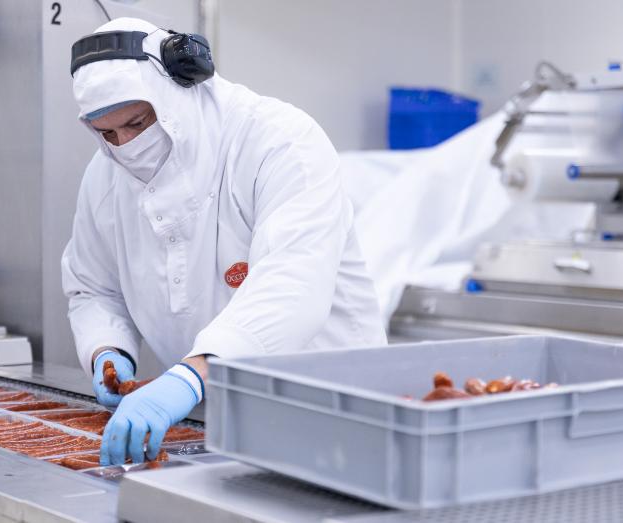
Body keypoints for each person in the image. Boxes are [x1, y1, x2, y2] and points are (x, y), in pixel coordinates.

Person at [62, 17, 387, 466]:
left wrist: (188, 379)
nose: (126, 145)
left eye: (137, 123)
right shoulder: (105, 175)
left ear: (180, 85)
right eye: (108, 134)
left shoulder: (278, 140)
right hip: (219, 424)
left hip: (334, 416)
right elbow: (93, 286)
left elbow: (292, 287)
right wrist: (106, 350)